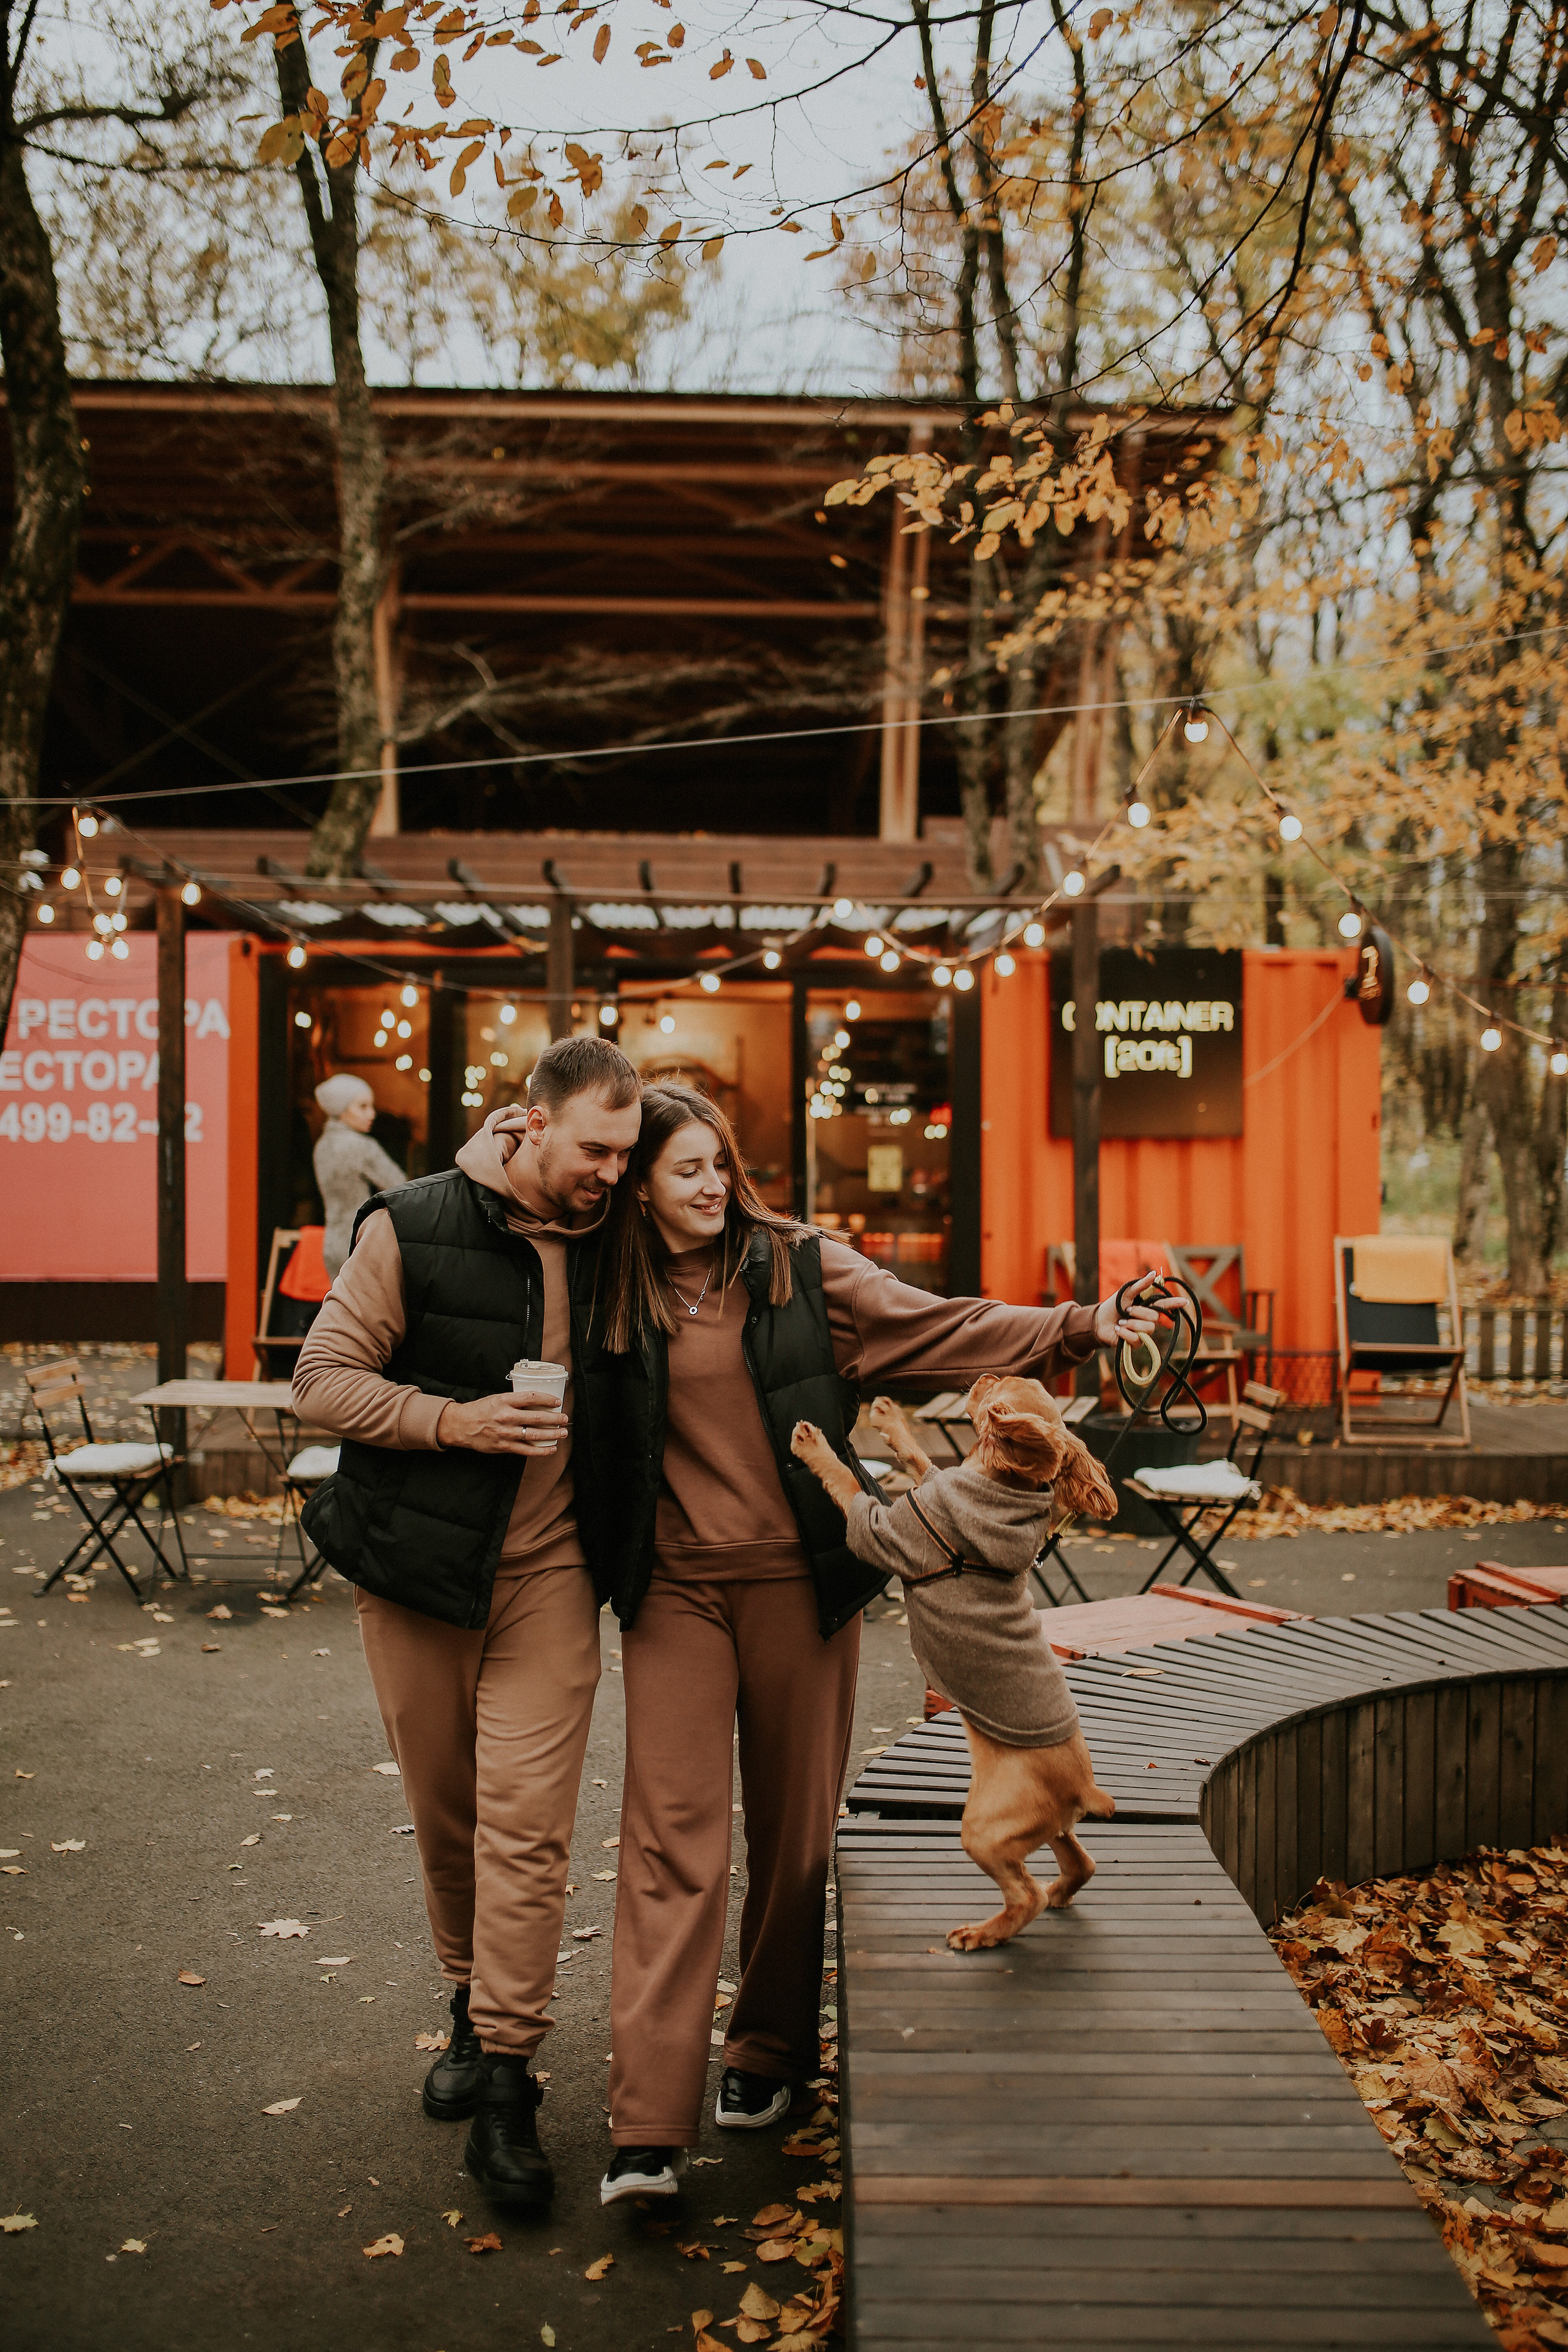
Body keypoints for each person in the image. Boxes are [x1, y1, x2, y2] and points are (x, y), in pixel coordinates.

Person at [586, 1080, 1159, 2206]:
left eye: (718, 1164)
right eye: (684, 1170)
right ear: (639, 1184)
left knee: (795, 1834)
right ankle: (648, 2122)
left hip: (807, 1583)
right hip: (676, 1595)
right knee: (670, 1839)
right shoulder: (603, 1279)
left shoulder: (802, 1266)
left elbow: (937, 1323)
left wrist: (1074, 1326)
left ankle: (767, 2055)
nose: (711, 1186)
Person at [290, 1036, 643, 2210]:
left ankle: (506, 2077)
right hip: (419, 1573)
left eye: (625, 1153)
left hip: (552, 1578)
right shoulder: (414, 1221)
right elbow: (323, 1380)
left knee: (528, 1829)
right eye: (594, 1149)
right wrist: (461, 1424)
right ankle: (464, 1993)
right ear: (529, 1123)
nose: (610, 1172)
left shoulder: (624, 1237)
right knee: (447, 1818)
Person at [312, 1074, 407, 1281]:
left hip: (333, 1244)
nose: (372, 1114)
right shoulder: (362, 1146)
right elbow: (403, 1189)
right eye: (363, 1107)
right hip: (362, 1243)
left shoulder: (322, 1146)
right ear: (341, 1109)